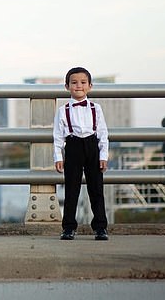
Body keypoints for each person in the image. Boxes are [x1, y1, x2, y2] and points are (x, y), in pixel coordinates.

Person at [53, 67, 109, 241]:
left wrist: (103, 156)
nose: (79, 86)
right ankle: (68, 227)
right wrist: (58, 157)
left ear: (90, 86)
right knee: (71, 189)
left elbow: (103, 133)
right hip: (73, 146)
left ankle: (100, 227)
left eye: (83, 82)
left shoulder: (96, 108)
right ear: (67, 86)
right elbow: (57, 136)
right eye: (74, 83)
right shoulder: (63, 110)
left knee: (96, 189)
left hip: (92, 146)